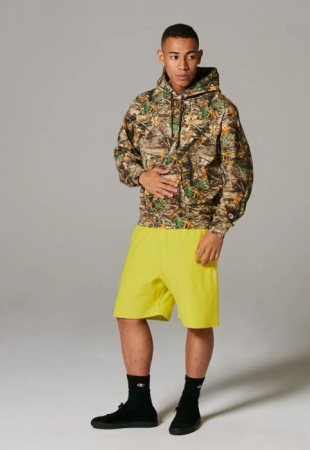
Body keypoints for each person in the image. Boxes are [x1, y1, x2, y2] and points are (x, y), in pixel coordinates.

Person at [91, 23, 253, 436]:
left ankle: (189, 402)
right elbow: (122, 152)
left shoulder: (221, 109)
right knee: (128, 313)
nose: (183, 65)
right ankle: (139, 405)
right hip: (150, 226)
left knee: (197, 320)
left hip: (196, 230)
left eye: (190, 56)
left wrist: (219, 228)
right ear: (161, 56)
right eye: (175, 56)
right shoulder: (143, 105)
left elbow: (239, 173)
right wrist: (140, 175)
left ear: (200, 57)